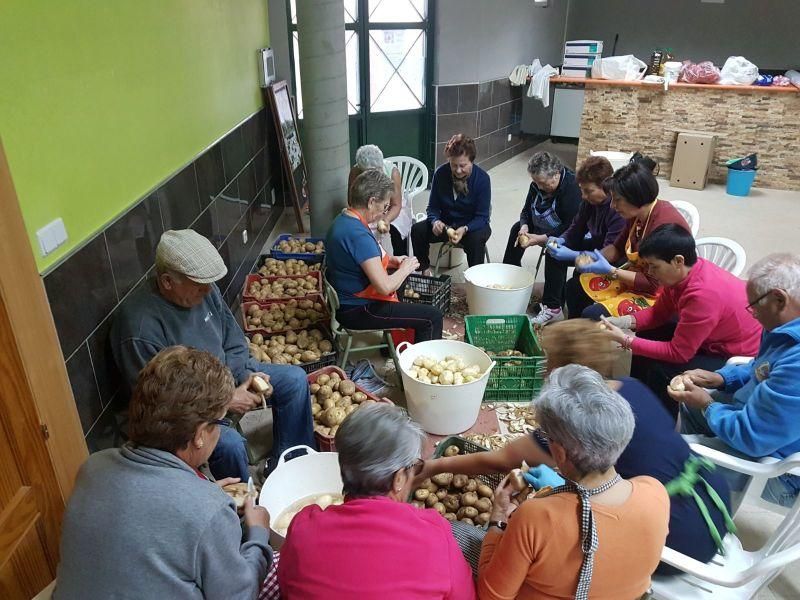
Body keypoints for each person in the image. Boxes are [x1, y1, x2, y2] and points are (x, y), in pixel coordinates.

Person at [420, 319, 733, 577]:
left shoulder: (565, 427)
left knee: (532, 545)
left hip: (675, 540)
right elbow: (665, 438)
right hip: (713, 495)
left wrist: (433, 467)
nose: (544, 370)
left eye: (548, 362)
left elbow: (498, 460)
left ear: (561, 371)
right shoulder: (631, 387)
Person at [55, 347, 272, 599]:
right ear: (200, 435)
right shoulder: (207, 509)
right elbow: (240, 595)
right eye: (222, 422)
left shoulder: (92, 467)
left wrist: (203, 499)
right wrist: (258, 534)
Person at [111, 229, 315, 480]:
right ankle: (241, 508)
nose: (208, 291)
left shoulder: (204, 290)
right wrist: (226, 399)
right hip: (187, 416)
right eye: (199, 286)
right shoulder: (139, 329)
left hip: (225, 379)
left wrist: (242, 377)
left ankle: (290, 465)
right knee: (229, 445)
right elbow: (161, 406)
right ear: (167, 282)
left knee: (294, 380)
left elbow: (235, 341)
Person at [476, 364, 669, 599]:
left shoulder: (535, 517)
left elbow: (491, 595)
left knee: (459, 536)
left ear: (560, 453)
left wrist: (497, 520)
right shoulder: (654, 491)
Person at [278, 403, 475, 599]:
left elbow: (286, 588)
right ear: (398, 478)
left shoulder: (302, 528)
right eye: (414, 468)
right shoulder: (435, 535)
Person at [670, 253, 800, 508]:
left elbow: (753, 437)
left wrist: (708, 405)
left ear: (778, 299)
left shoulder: (796, 363)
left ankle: (705, 498)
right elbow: (761, 367)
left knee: (683, 454)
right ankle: (706, 481)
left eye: (754, 306)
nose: (752, 314)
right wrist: (721, 378)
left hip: (777, 456)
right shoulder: (783, 327)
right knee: (689, 407)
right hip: (762, 416)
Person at [602, 224, 762, 417]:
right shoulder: (683, 273)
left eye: (655, 267)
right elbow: (657, 314)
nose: (651, 273)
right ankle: (639, 395)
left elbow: (679, 354)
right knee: (647, 334)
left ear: (678, 260)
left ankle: (659, 419)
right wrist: (623, 322)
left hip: (733, 354)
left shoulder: (702, 296)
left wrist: (626, 341)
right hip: (712, 334)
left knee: (662, 369)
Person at [562, 160, 690, 319]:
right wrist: (592, 258)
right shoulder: (636, 215)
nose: (612, 206)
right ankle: (574, 336)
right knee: (574, 287)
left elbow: (654, 284)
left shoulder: (663, 227)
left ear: (636, 198)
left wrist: (611, 271)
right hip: (638, 276)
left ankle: (590, 337)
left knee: (593, 315)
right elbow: (616, 249)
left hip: (661, 291)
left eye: (617, 200)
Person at [327, 169, 443, 342]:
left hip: (346, 300)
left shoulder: (343, 219)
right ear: (372, 202)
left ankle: (394, 341)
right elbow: (384, 287)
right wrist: (405, 268)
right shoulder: (358, 235)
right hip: (358, 310)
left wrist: (392, 261)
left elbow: (362, 260)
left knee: (400, 279)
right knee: (432, 317)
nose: (384, 212)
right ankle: (416, 367)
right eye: (384, 206)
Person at [536, 155, 626, 325]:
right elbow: (576, 229)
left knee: (576, 285)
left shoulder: (618, 209)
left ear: (606, 187)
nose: (583, 196)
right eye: (582, 190)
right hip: (598, 245)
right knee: (553, 253)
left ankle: (577, 325)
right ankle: (553, 307)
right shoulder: (589, 202)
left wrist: (573, 255)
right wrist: (561, 240)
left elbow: (611, 253)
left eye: (588, 191)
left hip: (615, 260)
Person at [502, 151, 582, 325]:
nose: (538, 187)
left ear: (556, 175)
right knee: (516, 228)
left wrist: (540, 239)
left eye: (543, 183)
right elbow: (526, 211)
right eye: (535, 182)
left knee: (554, 249)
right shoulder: (536, 185)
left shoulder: (572, 189)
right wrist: (524, 226)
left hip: (569, 233)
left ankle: (553, 306)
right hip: (545, 225)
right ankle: (510, 279)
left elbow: (570, 226)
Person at [411, 134, 491, 273]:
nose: (458, 170)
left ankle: (476, 280)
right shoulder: (440, 174)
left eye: (463, 165)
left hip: (472, 226)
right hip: (447, 225)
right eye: (454, 165)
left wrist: (465, 228)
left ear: (472, 161)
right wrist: (435, 221)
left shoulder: (482, 179)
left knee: (476, 240)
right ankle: (423, 271)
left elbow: (482, 217)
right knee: (417, 230)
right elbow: (433, 208)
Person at [348, 144, 412, 257]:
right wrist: (368, 214)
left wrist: (386, 219)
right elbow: (352, 201)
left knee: (395, 229)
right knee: (357, 230)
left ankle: (400, 258)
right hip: (366, 208)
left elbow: (396, 204)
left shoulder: (392, 172)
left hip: (390, 208)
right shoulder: (355, 171)